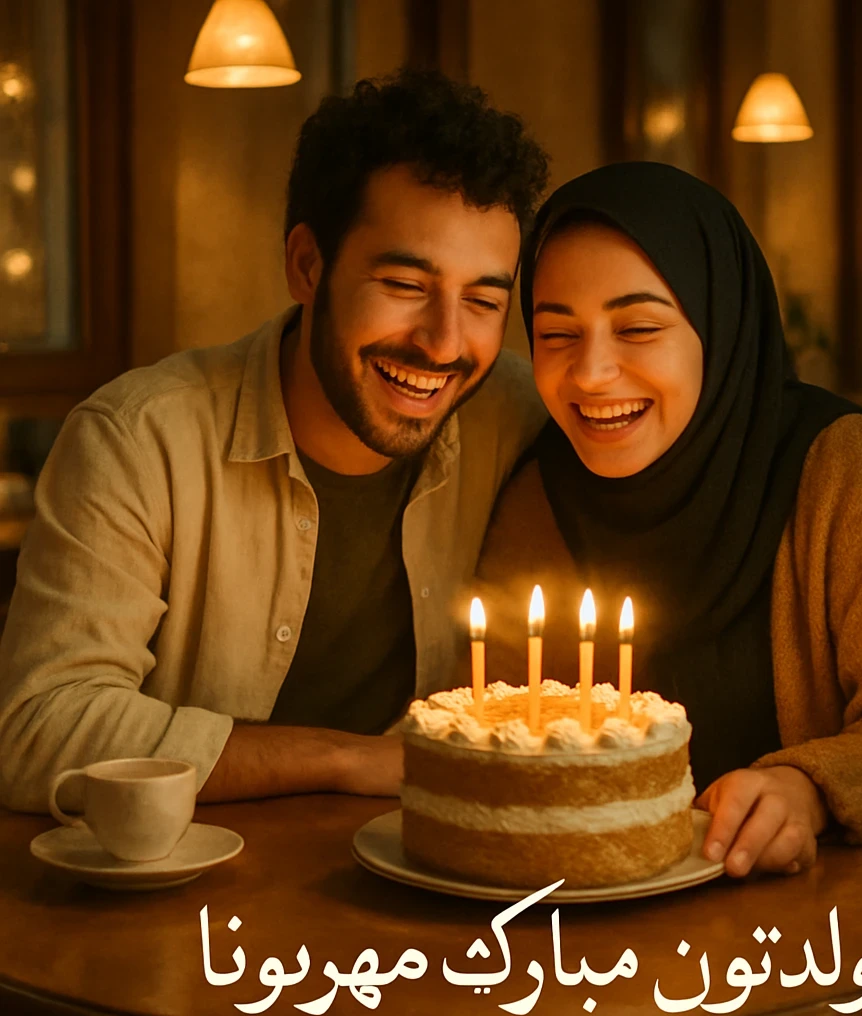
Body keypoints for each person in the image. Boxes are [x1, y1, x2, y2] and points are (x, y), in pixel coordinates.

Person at [472, 162, 862, 1016]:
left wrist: (812, 786)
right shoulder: (538, 497)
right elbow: (505, 738)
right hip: (615, 971)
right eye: (556, 334)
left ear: (719, 326)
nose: (592, 373)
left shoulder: (847, 468)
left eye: (639, 328)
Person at [0, 69, 550, 813]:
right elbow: (39, 730)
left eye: (483, 300)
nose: (445, 342)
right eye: (404, 285)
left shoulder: (517, 415)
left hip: (428, 867)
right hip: (195, 881)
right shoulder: (139, 439)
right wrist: (347, 759)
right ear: (307, 266)